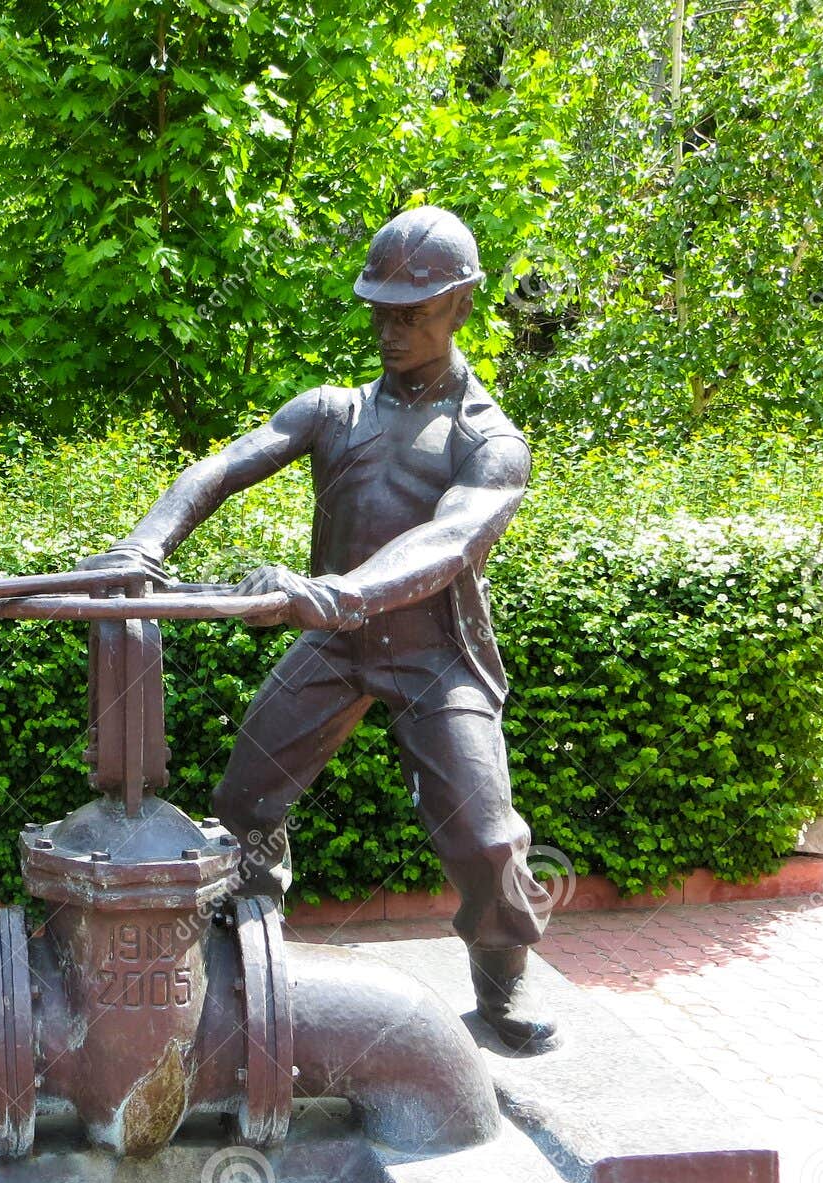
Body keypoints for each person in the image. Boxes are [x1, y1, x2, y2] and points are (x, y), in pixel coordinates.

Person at [81, 205, 559, 1053]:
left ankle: (501, 984)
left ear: (462, 303)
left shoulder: (489, 440)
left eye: (412, 313)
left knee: (486, 839)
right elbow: (223, 466)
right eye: (379, 311)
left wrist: (335, 590)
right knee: (244, 799)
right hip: (337, 644)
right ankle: (252, 939)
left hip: (433, 652)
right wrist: (144, 544)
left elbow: (449, 542)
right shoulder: (333, 411)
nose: (390, 330)